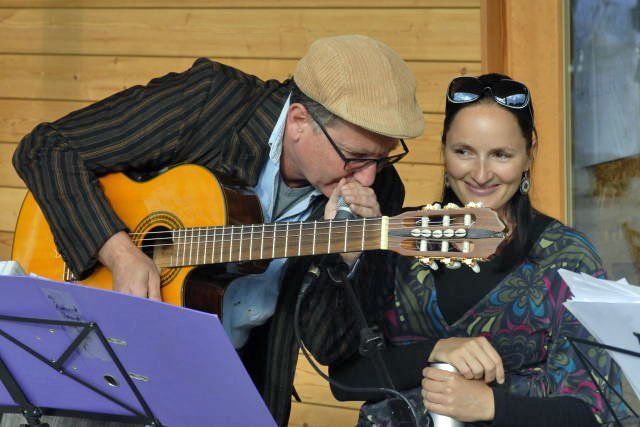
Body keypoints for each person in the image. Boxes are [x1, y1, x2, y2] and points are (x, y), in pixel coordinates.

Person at [11, 35, 424, 425]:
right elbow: (45, 149)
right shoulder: (214, 102)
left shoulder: (377, 196)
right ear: (300, 121)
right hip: (100, 353)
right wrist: (119, 253)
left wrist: (349, 259)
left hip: (217, 385)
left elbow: (330, 346)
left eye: (383, 158)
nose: (368, 176)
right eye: (355, 157)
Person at [299, 74, 630, 426]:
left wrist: (491, 405)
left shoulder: (567, 257)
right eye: (464, 152)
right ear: (444, 150)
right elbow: (346, 378)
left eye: (501, 154)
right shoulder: (400, 238)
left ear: (528, 154)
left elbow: (594, 411)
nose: (481, 174)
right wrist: (436, 351)